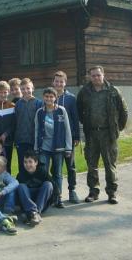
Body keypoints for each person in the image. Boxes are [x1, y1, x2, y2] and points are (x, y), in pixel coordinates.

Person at [77, 65, 128, 204]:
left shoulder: (113, 91)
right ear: (89, 76)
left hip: (108, 133)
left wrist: (118, 129)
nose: (96, 78)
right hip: (92, 134)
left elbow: (124, 112)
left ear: (103, 74)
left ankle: (112, 193)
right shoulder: (84, 92)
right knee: (91, 164)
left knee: (109, 165)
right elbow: (79, 110)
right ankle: (93, 192)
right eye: (93, 75)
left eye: (98, 75)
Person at [34, 87, 72, 208]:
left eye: (51, 96)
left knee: (57, 174)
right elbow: (36, 130)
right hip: (43, 148)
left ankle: (58, 197)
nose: (49, 99)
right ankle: (47, 197)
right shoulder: (40, 112)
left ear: (55, 98)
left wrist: (68, 147)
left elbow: (67, 129)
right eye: (46, 96)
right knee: (44, 173)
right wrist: (36, 147)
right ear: (43, 98)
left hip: (58, 148)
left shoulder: (61, 111)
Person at [52, 70, 81, 204]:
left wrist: (76, 136)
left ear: (65, 83)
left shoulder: (71, 98)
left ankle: (72, 190)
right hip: (54, 139)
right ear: (53, 82)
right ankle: (57, 194)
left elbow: (75, 118)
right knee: (56, 168)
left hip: (68, 138)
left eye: (61, 81)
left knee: (71, 166)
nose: (58, 84)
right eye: (56, 81)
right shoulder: (49, 97)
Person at [16, 150, 57, 226]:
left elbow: (55, 187)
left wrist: (55, 199)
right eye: (25, 162)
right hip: (27, 203)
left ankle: (32, 213)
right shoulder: (21, 175)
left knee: (48, 184)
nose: (27, 164)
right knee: (21, 186)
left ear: (36, 163)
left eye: (30, 162)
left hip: (40, 203)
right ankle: (34, 213)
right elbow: (18, 195)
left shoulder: (42, 172)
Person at [14, 78, 42, 174]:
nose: (25, 91)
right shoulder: (18, 104)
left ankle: (35, 185)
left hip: (34, 140)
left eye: (28, 88)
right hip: (21, 140)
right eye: (23, 89)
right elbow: (15, 122)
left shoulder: (39, 103)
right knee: (22, 164)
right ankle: (23, 186)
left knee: (34, 164)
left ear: (32, 88)